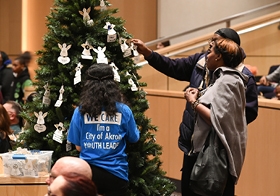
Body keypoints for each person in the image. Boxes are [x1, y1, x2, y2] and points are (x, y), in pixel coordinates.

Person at [131, 27, 258, 196]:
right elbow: (173, 67)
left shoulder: (239, 78)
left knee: (215, 190)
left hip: (218, 150)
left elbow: (244, 114)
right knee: (189, 190)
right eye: (211, 41)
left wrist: (216, 124)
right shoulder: (202, 61)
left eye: (215, 42)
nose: (210, 45)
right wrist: (148, 54)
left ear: (227, 48)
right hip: (193, 144)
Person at [185, 38, 247, 195]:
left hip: (216, 156)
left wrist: (193, 102)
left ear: (219, 56)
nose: (207, 55)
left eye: (210, 51)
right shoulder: (222, 78)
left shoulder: (228, 80)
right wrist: (200, 94)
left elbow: (215, 118)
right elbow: (217, 102)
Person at [67, 63, 140, 196]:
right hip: (117, 173)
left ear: (88, 85)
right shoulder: (124, 110)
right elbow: (134, 138)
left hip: (88, 172)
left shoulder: (80, 111)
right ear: (113, 84)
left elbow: (78, 147)